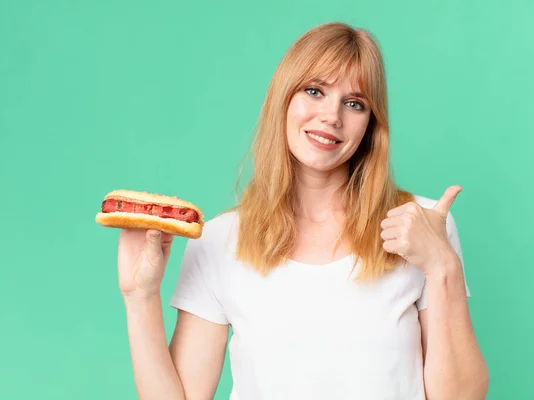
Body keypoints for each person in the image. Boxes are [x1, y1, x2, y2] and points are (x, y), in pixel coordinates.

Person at [117, 22, 489, 400]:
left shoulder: (422, 226)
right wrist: (140, 298)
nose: (332, 116)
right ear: (283, 99)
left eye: (355, 103)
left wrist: (443, 266)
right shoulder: (218, 240)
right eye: (314, 91)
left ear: (370, 126)